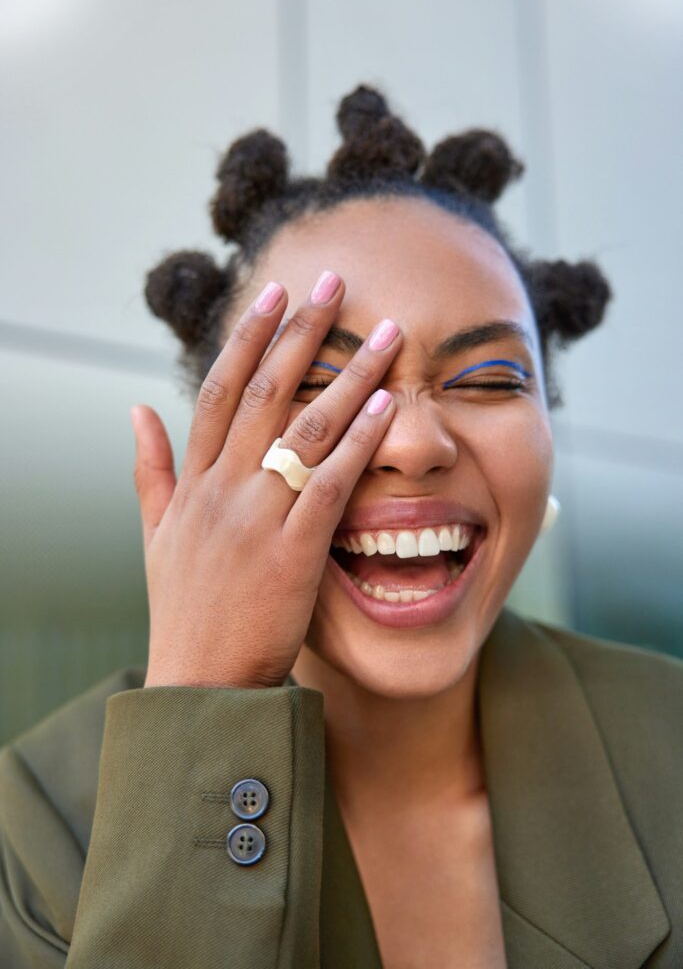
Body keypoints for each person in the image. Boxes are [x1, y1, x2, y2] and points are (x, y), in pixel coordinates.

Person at [1, 84, 682, 968]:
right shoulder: (38, 822)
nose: (410, 443)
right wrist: (206, 696)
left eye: (486, 380)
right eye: (320, 388)